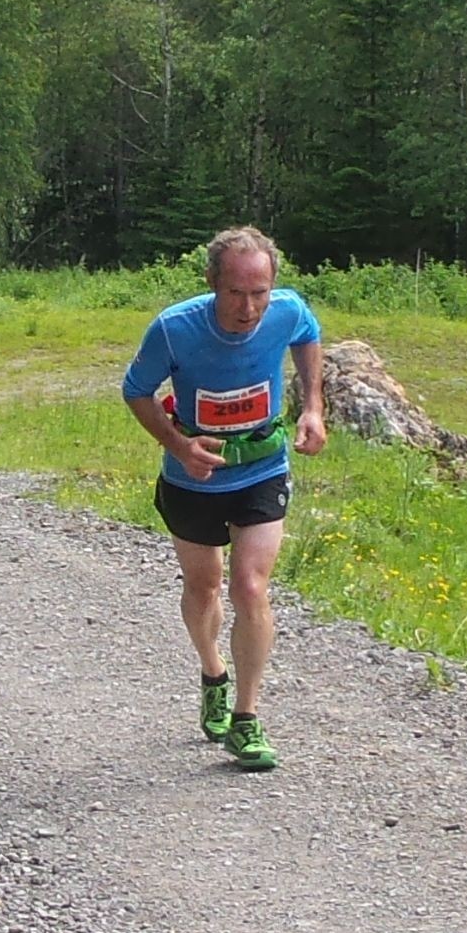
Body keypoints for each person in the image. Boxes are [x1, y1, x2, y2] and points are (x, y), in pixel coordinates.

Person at [121, 226, 326, 772]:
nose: (249, 307)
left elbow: (308, 336)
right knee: (204, 582)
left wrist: (312, 407)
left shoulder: (287, 310)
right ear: (212, 283)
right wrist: (179, 445)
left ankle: (246, 717)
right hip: (195, 478)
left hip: (262, 467)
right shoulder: (174, 328)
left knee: (250, 585)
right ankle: (213, 670)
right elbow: (135, 390)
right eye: (236, 293)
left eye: (259, 292)